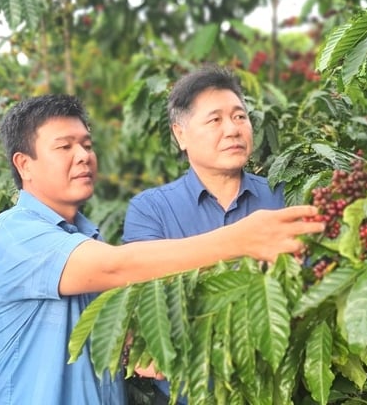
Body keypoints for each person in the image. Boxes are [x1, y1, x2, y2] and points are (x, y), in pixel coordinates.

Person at [0, 94, 324, 405]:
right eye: (64, 147)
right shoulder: (14, 233)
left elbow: (106, 326)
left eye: (86, 144)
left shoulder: (86, 238)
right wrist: (241, 239)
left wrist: (137, 344)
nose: (83, 156)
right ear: (24, 164)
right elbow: (117, 267)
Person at [122, 64, 284, 404]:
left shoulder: (283, 196)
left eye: (240, 117)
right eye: (215, 120)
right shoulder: (151, 210)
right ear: (180, 135)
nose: (232, 130)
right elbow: (147, 303)